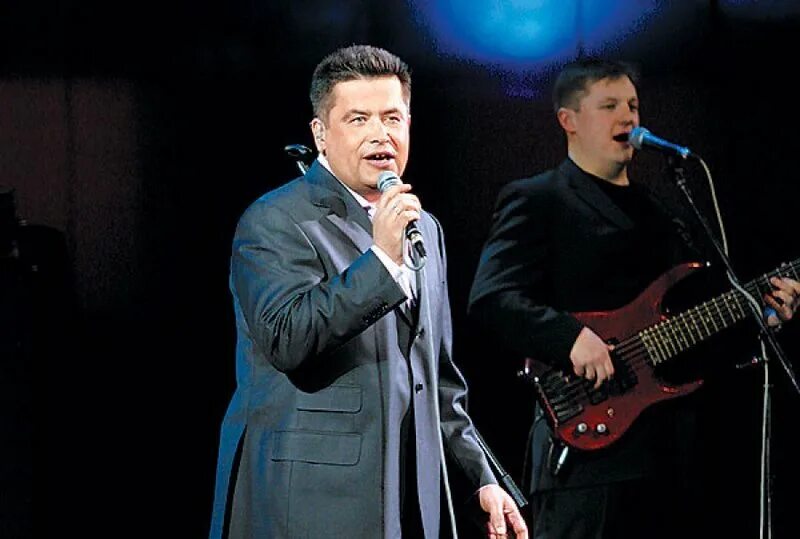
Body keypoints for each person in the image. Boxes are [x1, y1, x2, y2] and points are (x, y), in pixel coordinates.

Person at [467, 58, 799, 538]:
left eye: (633, 106)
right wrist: (570, 338)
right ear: (568, 120)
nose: (628, 117)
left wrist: (760, 317)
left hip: (670, 459)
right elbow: (492, 297)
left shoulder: (663, 214)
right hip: (586, 455)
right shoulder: (539, 198)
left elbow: (688, 333)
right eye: (609, 106)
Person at [209, 45, 527, 539]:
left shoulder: (424, 229)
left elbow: (437, 381)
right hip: (309, 507)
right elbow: (288, 338)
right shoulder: (275, 220)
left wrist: (480, 479)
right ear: (321, 134)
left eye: (392, 118)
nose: (381, 134)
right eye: (358, 119)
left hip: (406, 504)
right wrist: (381, 261)